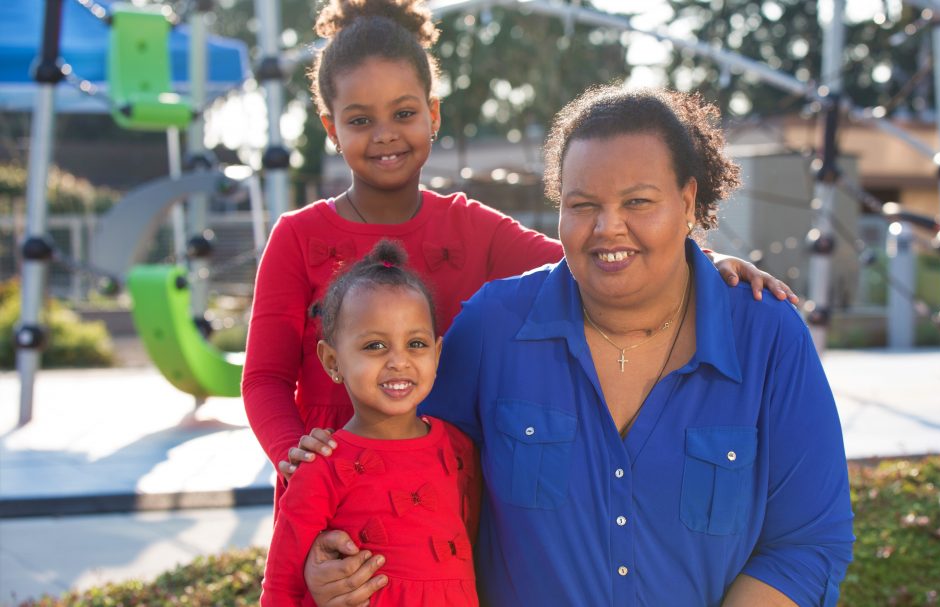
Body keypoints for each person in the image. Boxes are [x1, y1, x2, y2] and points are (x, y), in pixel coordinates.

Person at [305, 86, 855, 606]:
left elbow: (806, 544)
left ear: (688, 201)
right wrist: (328, 561)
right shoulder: (493, 327)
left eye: (638, 202)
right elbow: (403, 467)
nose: (607, 228)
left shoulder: (767, 337)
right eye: (583, 204)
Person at [242, 0, 797, 512]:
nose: (385, 134)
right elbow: (264, 378)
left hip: (440, 494)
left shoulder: (473, 228)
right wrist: (298, 458)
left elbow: (594, 256)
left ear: (433, 114)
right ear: (330, 129)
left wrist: (700, 259)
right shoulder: (297, 237)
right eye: (360, 120)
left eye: (404, 113)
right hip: (329, 489)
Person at [260, 241, 481, 606]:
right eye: (375, 346)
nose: (399, 361)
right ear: (332, 360)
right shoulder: (320, 468)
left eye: (416, 343)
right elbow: (279, 589)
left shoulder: (459, 448)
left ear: (437, 354)